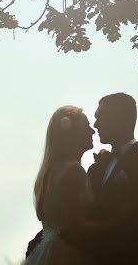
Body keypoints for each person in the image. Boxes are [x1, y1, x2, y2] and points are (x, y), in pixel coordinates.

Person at [25, 94, 138, 265]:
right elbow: (74, 216)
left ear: (121, 118)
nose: (96, 125)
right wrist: (42, 240)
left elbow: (137, 223)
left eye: (101, 117)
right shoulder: (95, 169)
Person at [23, 105, 98, 265]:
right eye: (87, 126)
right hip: (68, 254)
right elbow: (76, 228)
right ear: (73, 134)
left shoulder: (49, 174)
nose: (92, 131)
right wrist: (118, 222)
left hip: (46, 252)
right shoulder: (74, 171)